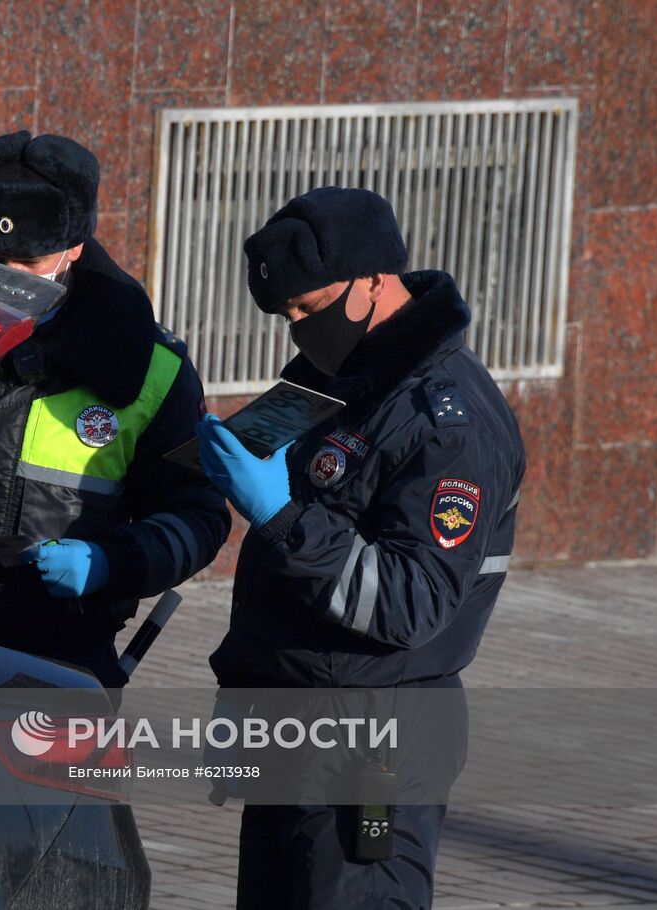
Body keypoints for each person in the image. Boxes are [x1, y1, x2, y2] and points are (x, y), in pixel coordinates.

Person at [196, 187, 525, 908]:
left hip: (374, 747)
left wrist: (282, 514)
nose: (300, 332)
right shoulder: (339, 376)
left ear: (375, 278)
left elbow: (412, 602)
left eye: (311, 309)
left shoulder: (446, 421)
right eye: (288, 318)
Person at [0, 131, 231, 689]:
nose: (7, 278)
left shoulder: (153, 368)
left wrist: (111, 561)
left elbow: (198, 515)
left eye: (29, 261)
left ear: (74, 247)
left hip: (59, 667)